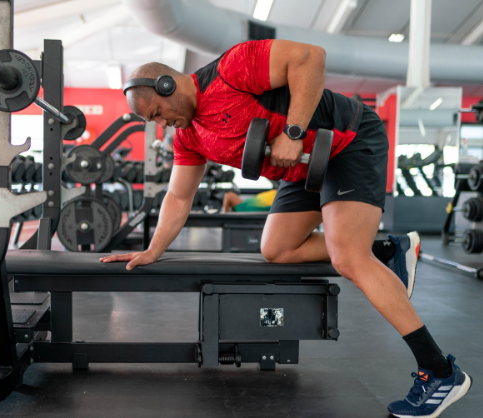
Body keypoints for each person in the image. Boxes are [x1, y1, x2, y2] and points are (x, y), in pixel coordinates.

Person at [99, 39, 471, 418]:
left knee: (347, 257)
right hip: (302, 169)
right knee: (277, 249)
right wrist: (152, 250)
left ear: (167, 85)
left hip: (346, 140)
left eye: (159, 113)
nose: (162, 124)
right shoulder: (189, 135)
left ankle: (441, 372)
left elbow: (311, 57)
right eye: (153, 122)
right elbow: (178, 198)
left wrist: (293, 131)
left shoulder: (231, 70)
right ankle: (389, 252)